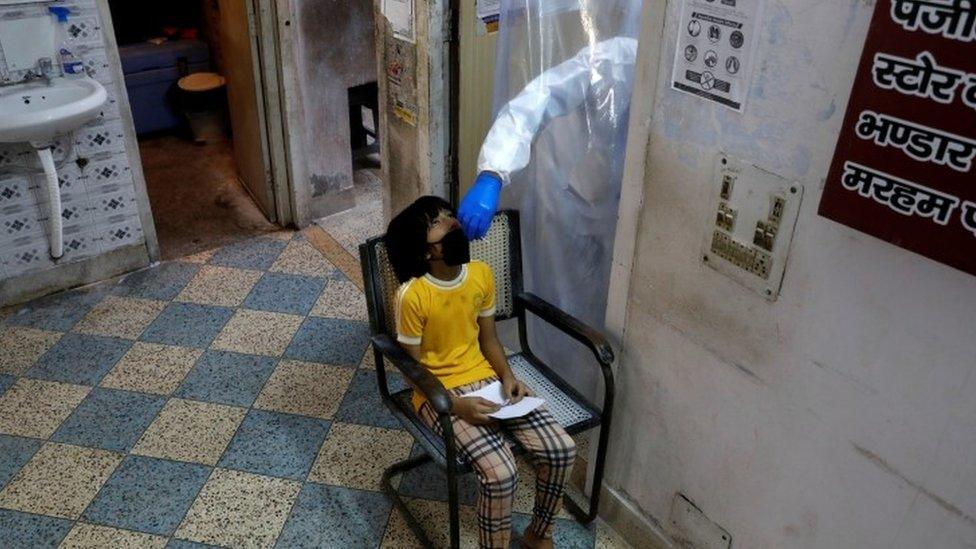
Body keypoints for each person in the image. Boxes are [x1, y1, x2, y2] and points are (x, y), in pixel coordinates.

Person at [385, 196, 577, 549]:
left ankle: (539, 535)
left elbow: (489, 340)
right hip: (436, 393)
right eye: (437, 222)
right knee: (501, 474)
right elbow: (411, 372)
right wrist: (456, 406)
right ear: (428, 251)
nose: (452, 221)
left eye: (448, 214)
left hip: (488, 380)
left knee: (561, 449)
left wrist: (507, 377)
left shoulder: (480, 275)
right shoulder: (412, 296)